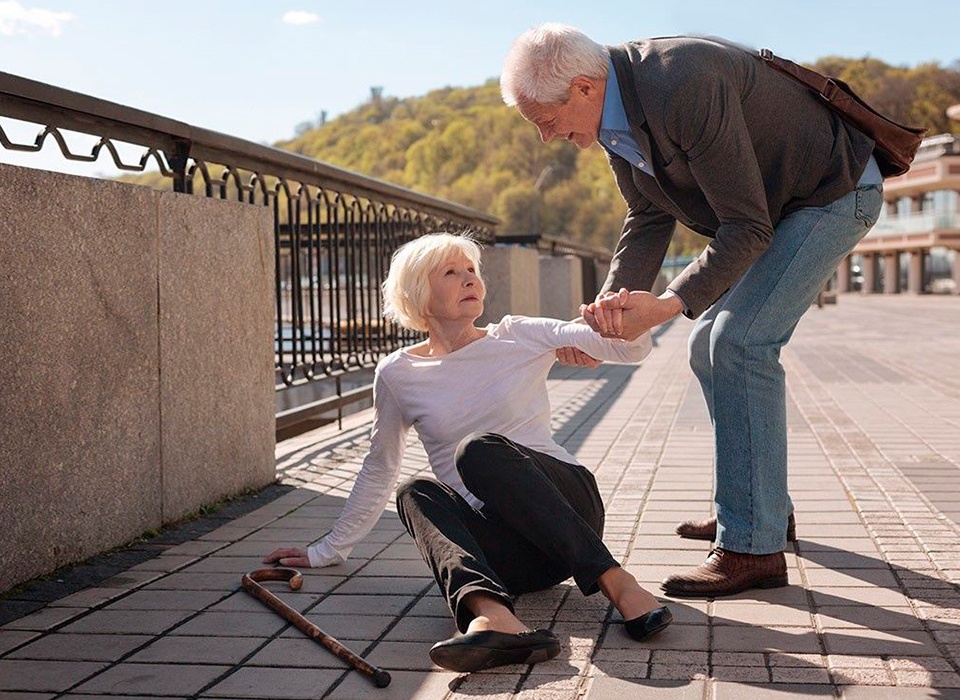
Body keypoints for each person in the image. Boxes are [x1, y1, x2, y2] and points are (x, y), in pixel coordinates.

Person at [501, 24, 883, 598]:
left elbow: (747, 226)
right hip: (779, 206)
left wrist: (662, 307)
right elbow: (648, 216)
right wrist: (603, 317)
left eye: (545, 121)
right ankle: (760, 508)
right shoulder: (613, 114)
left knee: (738, 343)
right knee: (709, 345)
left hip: (833, 191)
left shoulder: (683, 84)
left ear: (582, 88)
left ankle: (753, 549)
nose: (545, 138)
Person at [263, 232, 672, 673]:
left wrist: (622, 320)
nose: (469, 279)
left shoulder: (517, 334)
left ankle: (618, 583)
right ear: (418, 293)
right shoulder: (399, 373)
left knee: (477, 450)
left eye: (472, 270)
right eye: (451, 272)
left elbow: (627, 349)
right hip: (517, 559)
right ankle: (492, 617)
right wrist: (328, 549)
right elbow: (379, 464)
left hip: (569, 510)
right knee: (414, 490)